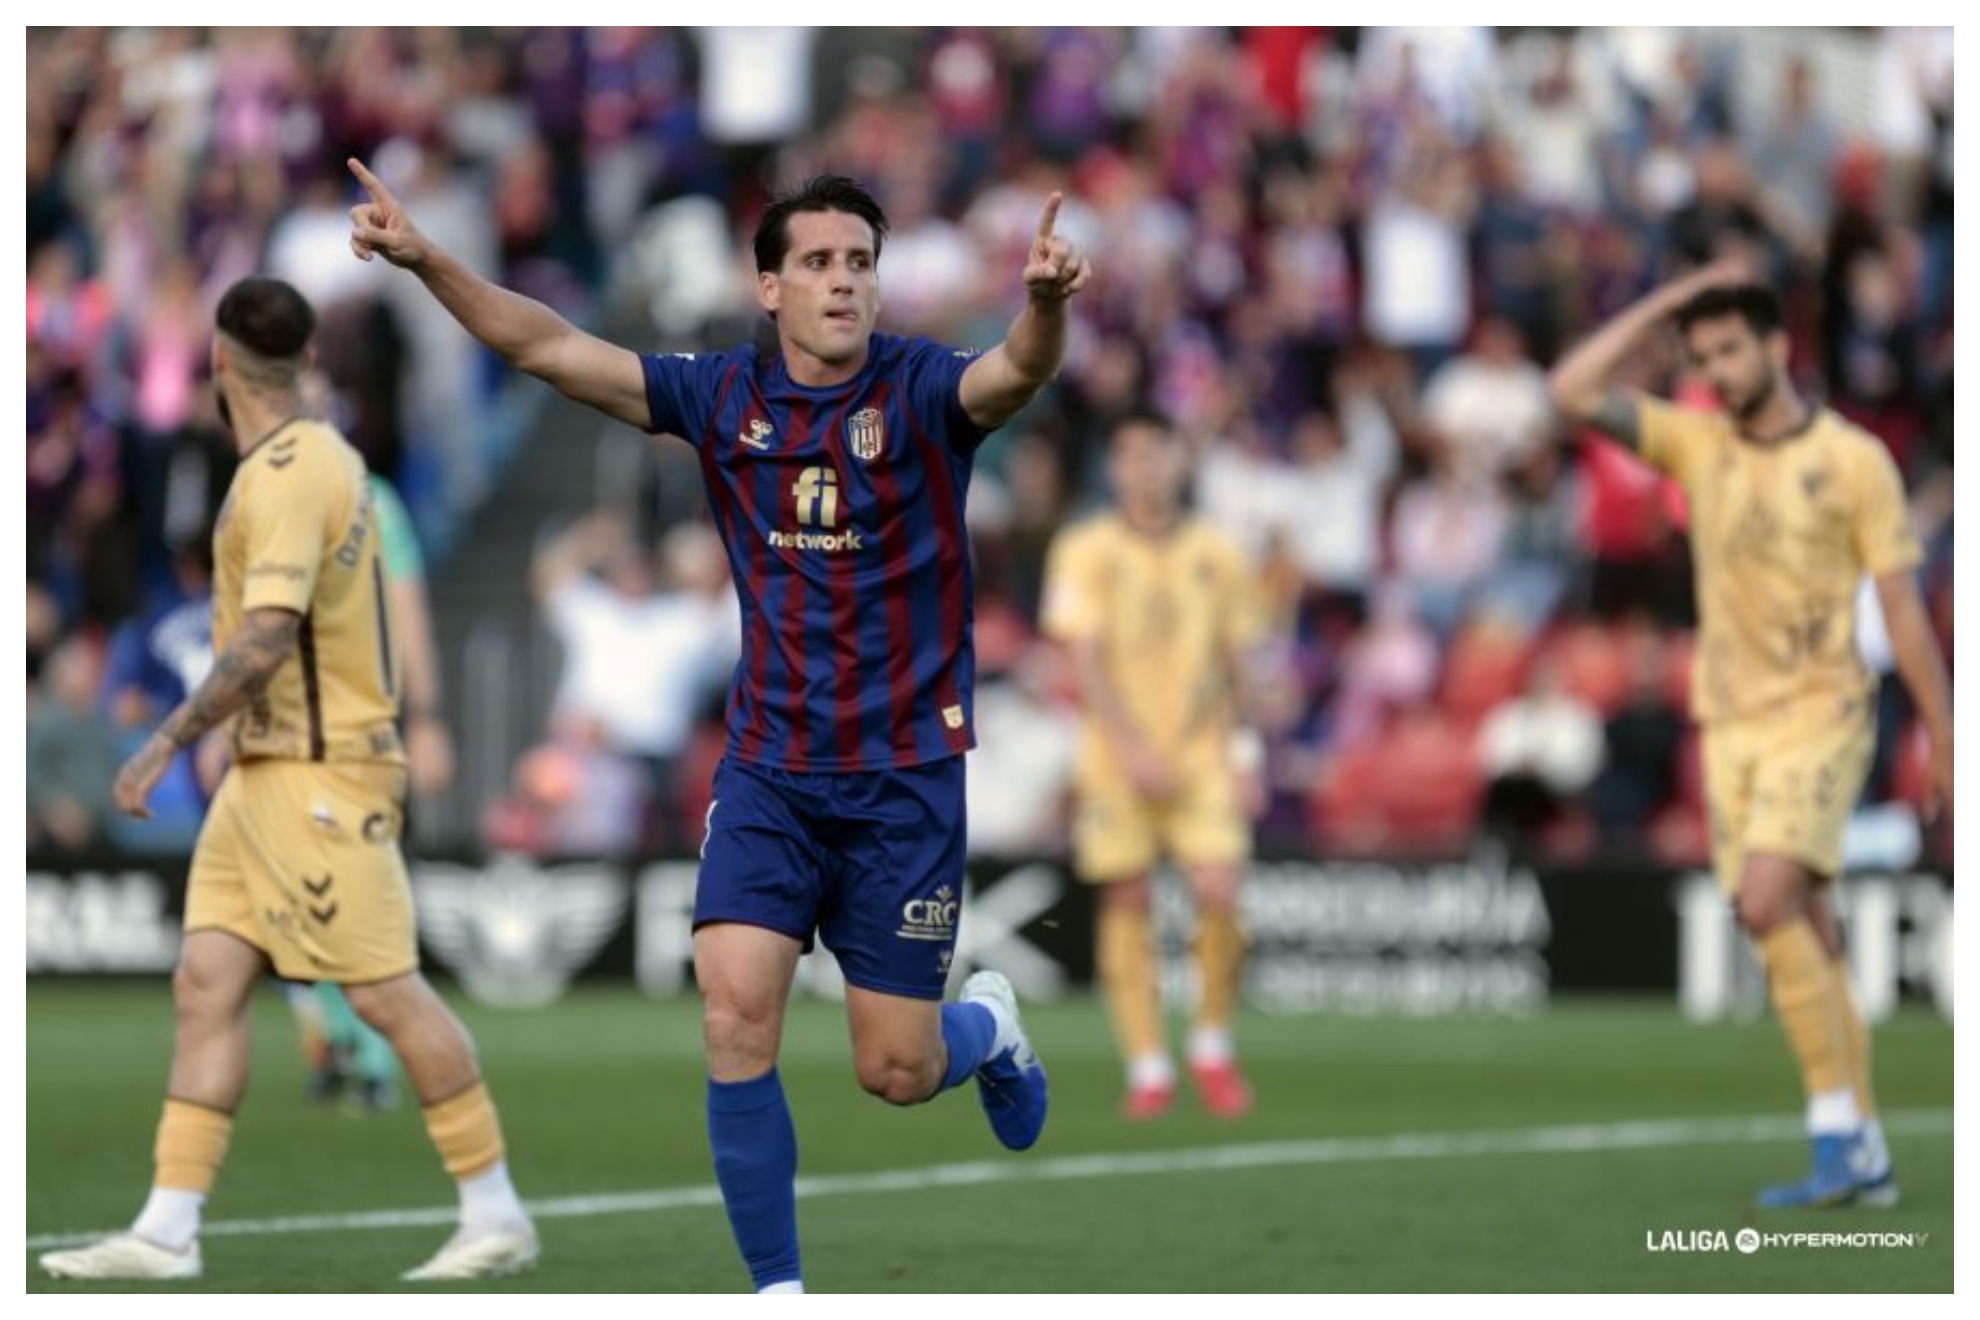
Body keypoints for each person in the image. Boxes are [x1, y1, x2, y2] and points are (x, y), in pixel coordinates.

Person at [346, 160, 1090, 1292]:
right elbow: (547, 349)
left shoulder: (924, 391)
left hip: (903, 777)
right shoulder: (720, 398)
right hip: (770, 772)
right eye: (819, 263)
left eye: (860, 264)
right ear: (769, 288)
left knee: (896, 1070)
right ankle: (778, 1295)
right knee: (736, 1016)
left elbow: (1017, 377)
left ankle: (986, 1028)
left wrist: (1041, 307)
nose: (844, 284)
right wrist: (427, 260)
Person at [40, 276, 538, 1282]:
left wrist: (164, 741)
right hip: (264, 775)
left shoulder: (289, 475)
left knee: (385, 994)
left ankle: (496, 1210)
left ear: (220, 365)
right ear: (303, 362)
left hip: (320, 774)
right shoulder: (314, 461)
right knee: (207, 980)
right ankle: (168, 1231)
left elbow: (267, 636)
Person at [1548, 263, 1954, 1209]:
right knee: (1797, 922)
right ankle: (1856, 1145)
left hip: (1823, 713)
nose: (1718, 371)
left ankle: (1839, 1138)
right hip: (1728, 722)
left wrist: (1945, 735)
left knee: (1765, 900)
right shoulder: (1696, 443)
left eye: (1731, 348)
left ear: (1779, 346)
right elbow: (1568, 390)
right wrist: (1666, 301)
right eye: (1702, 357)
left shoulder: (1855, 462)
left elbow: (1903, 608)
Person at [1041, 410, 1267, 1120]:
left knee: (1220, 888)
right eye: (1131, 456)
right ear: (1115, 468)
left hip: (1201, 753)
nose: (1145, 468)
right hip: (1115, 757)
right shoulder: (1086, 548)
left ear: (1179, 460)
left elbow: (1241, 662)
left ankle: (1211, 1042)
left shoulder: (1219, 552)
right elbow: (1084, 659)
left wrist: (1249, 752)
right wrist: (1132, 748)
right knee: (1128, 899)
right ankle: (1146, 1063)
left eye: (1157, 454)